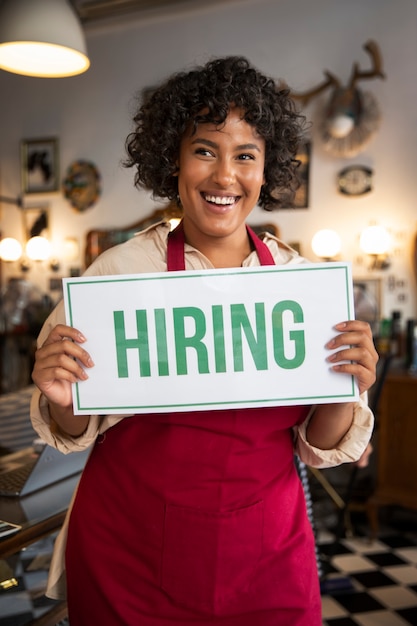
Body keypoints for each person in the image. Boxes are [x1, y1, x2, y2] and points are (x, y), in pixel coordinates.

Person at [31, 56, 378, 625]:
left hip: (266, 555)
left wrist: (345, 385)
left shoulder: (302, 285)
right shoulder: (117, 274)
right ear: (173, 159)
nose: (225, 176)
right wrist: (63, 401)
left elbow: (321, 447)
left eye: (246, 155)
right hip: (129, 556)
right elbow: (74, 432)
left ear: (267, 170)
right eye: (204, 150)